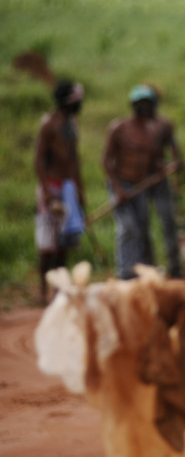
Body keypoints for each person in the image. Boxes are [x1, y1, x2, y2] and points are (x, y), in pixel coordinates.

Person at [33, 79, 87, 304]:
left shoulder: (71, 123)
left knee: (64, 243)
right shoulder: (49, 124)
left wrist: (79, 190)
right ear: (68, 101)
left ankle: (60, 291)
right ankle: (43, 292)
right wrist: (46, 191)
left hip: (68, 187)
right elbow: (38, 160)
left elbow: (74, 160)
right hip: (52, 185)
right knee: (48, 245)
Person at [102, 84, 161, 279]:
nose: (144, 108)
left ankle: (144, 269)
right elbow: (106, 160)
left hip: (140, 188)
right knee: (127, 228)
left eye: (147, 103)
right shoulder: (119, 128)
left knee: (143, 227)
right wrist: (117, 188)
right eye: (140, 103)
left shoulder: (151, 131)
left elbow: (152, 161)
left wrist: (162, 168)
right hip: (121, 186)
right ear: (133, 105)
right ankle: (125, 273)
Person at [146, 86, 185, 279]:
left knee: (169, 222)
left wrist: (174, 164)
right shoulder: (131, 126)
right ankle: (148, 268)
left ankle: (175, 266)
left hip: (160, 180)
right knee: (141, 225)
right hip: (140, 182)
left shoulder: (164, 124)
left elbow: (175, 149)